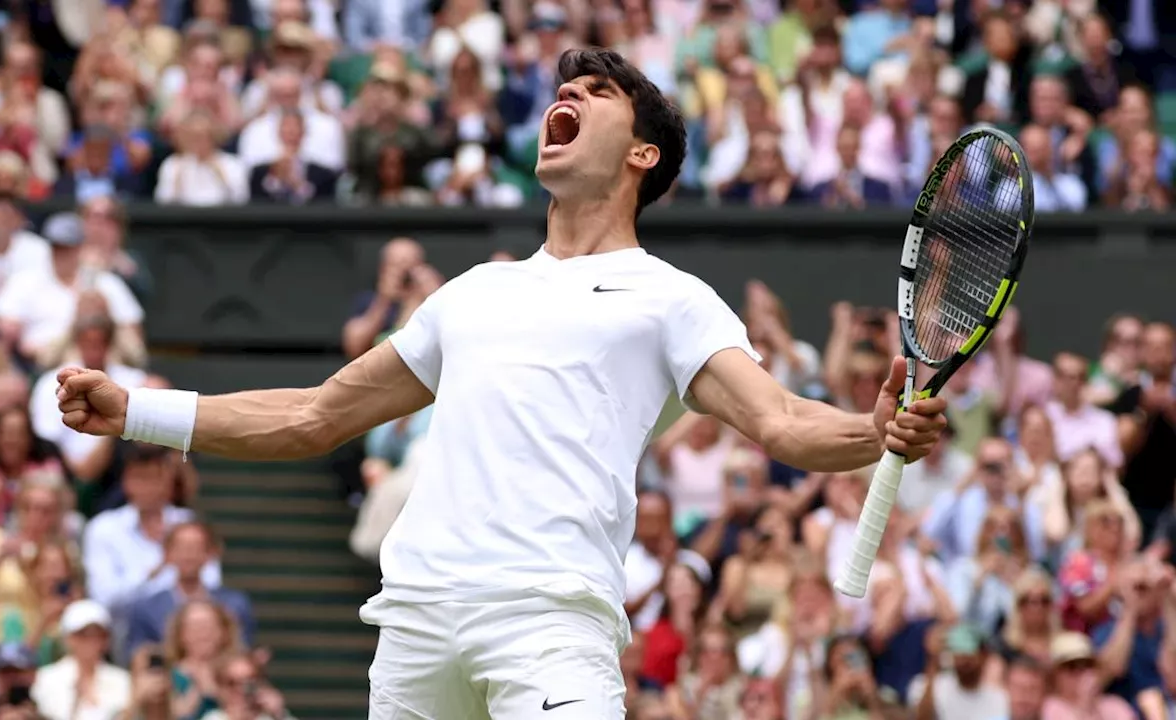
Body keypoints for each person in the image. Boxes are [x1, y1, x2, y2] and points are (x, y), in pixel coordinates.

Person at [52, 48, 949, 719]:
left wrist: (874, 433)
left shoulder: (675, 301)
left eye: (599, 94)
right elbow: (315, 415)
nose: (570, 95)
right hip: (415, 628)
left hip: (549, 626)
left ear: (643, 156)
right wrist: (138, 411)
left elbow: (784, 422)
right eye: (568, 87)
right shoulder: (472, 293)